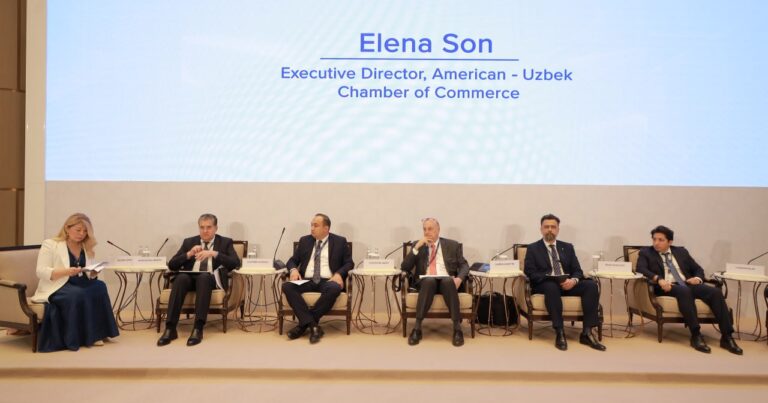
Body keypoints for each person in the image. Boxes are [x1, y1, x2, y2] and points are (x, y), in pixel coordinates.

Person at [635, 225, 742, 354]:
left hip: (686, 283)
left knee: (715, 292)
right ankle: (696, 334)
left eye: (661, 240)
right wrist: (658, 279)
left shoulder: (681, 252)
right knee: (684, 291)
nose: (656, 243)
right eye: (654, 239)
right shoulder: (646, 252)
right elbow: (641, 268)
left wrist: (697, 278)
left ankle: (727, 337)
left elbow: (698, 269)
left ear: (670, 241)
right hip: (666, 286)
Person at [32, 213, 119, 352]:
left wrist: (93, 273)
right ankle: (82, 337)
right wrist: (66, 271)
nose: (81, 234)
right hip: (58, 285)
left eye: (85, 231)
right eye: (78, 230)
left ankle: (97, 334)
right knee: (78, 294)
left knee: (100, 286)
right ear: (67, 228)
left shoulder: (85, 246)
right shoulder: (50, 244)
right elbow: (41, 271)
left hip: (80, 281)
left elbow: (86, 272)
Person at [524, 214, 605, 351]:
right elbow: (530, 272)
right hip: (546, 284)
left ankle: (587, 332)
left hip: (567, 283)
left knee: (591, 285)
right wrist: (550, 276)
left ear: (558, 229)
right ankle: (559, 331)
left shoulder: (567, 247)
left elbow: (577, 270)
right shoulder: (533, 248)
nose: (550, 230)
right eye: (546, 227)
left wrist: (573, 280)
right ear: (541, 229)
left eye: (553, 227)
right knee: (551, 286)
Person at [157, 214, 240, 347]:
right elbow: (172, 264)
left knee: (204, 277)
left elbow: (236, 263)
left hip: (210, 279)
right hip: (189, 278)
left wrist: (214, 253)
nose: (205, 231)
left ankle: (198, 328)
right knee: (180, 278)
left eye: (209, 227)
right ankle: (170, 328)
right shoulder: (189, 242)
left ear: (216, 228)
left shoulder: (225, 242)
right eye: (202, 227)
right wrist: (188, 254)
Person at [282, 213, 353, 344]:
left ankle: (303, 325)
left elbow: (349, 263)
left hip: (328, 280)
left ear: (326, 228)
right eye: (311, 225)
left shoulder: (339, 241)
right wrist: (293, 270)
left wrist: (339, 274)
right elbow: (292, 260)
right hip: (307, 280)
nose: (312, 228)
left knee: (334, 288)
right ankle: (313, 326)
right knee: (287, 286)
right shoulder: (305, 241)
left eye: (316, 225)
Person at [401, 218, 469, 347]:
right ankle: (417, 328)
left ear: (438, 230)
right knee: (429, 281)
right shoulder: (418, 245)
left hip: (446, 282)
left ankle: (457, 329)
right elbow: (405, 267)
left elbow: (464, 265)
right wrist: (416, 247)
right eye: (424, 229)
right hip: (426, 282)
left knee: (448, 281)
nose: (427, 232)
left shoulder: (452, 245)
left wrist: (459, 278)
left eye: (430, 229)